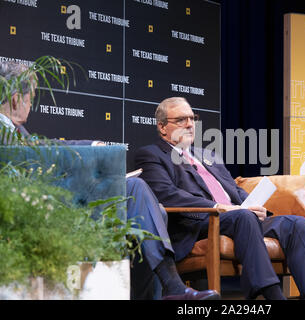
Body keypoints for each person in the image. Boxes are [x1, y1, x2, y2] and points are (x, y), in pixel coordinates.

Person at [0, 61, 219, 300]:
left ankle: (169, 287)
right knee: (137, 194)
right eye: (30, 98)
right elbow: (41, 151)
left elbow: (44, 147)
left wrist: (91, 147)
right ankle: (171, 286)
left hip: (50, 205)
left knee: (144, 201)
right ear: (14, 99)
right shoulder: (7, 133)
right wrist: (92, 147)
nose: (31, 104)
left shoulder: (15, 132)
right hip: (38, 211)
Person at [134, 97, 305, 300]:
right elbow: (167, 195)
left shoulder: (207, 155)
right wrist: (221, 207)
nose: (190, 124)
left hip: (238, 218)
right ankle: (273, 296)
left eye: (192, 118)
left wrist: (255, 206)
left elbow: (233, 189)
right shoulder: (151, 154)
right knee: (243, 217)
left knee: (297, 224)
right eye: (181, 120)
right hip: (199, 223)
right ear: (162, 127)